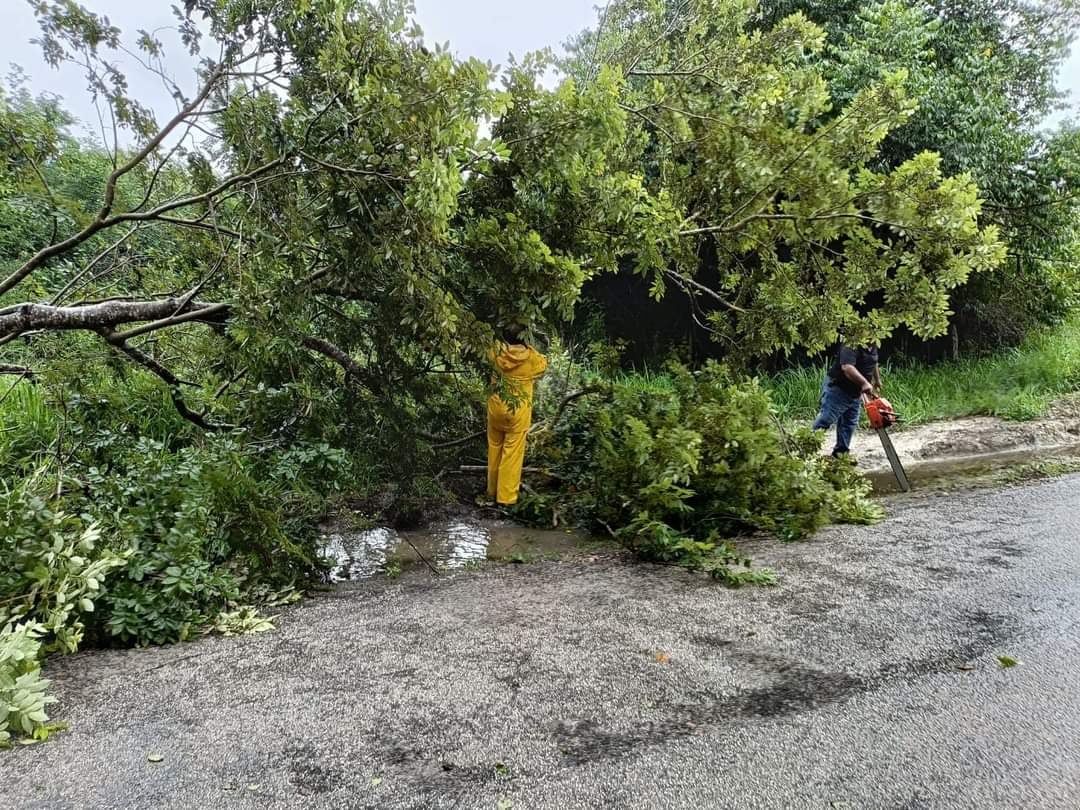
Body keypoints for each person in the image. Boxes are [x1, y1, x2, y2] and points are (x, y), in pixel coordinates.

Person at [486, 324, 547, 506]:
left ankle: (491, 492)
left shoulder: (495, 352)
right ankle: (506, 499)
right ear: (524, 337)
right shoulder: (532, 358)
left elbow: (485, 355)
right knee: (512, 455)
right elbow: (544, 366)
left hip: (495, 410)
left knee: (494, 449)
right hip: (518, 413)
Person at [812, 342, 881, 457]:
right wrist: (864, 383)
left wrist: (877, 380)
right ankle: (805, 448)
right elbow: (847, 367)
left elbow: (874, 362)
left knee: (849, 423)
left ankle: (841, 454)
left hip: (855, 391)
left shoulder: (873, 343)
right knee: (826, 419)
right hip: (838, 388)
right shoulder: (851, 343)